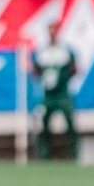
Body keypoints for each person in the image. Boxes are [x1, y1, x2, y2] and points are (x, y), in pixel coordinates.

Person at [33, 24, 78, 160]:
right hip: (49, 94)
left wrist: (63, 78)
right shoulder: (42, 51)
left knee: (69, 122)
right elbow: (37, 70)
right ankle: (44, 154)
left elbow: (74, 68)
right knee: (45, 122)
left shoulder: (65, 50)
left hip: (62, 93)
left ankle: (74, 154)